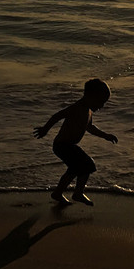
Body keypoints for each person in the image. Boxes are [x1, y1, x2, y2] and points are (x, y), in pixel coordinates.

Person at [33, 78, 118, 206]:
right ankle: (77, 193)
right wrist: (45, 129)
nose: (101, 106)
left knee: (79, 168)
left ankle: (59, 193)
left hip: (69, 145)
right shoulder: (77, 107)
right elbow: (57, 115)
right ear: (90, 96)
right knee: (86, 165)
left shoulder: (88, 111)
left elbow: (90, 127)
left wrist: (105, 135)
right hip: (62, 145)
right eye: (100, 102)